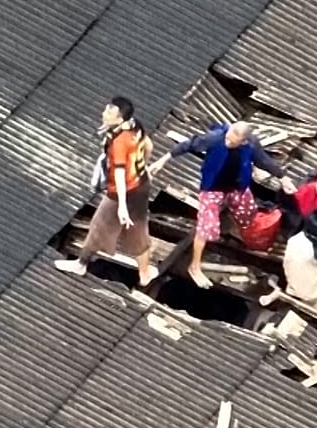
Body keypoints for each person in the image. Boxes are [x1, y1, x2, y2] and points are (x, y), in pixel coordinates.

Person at [149, 121, 295, 289]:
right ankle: (194, 267)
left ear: (243, 141)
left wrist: (283, 178)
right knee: (207, 228)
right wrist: (162, 161)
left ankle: (240, 234)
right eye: (228, 137)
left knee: (248, 213)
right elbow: (188, 145)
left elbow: (264, 161)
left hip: (236, 186)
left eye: (233, 141)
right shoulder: (215, 138)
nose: (228, 142)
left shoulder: (250, 144)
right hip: (212, 189)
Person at [55, 97, 158, 286]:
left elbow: (118, 172)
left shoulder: (120, 142)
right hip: (140, 186)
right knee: (137, 229)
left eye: (109, 112)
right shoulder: (135, 125)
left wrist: (121, 207)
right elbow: (148, 146)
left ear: (119, 119)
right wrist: (142, 168)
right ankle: (145, 273)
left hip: (123, 192)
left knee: (99, 224)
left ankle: (81, 264)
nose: (104, 113)